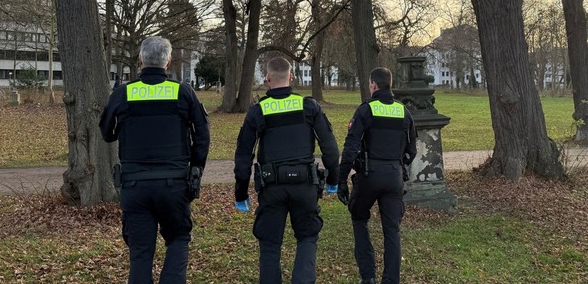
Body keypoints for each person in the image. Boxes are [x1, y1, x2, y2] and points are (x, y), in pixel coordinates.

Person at [99, 36, 210, 284]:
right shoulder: (183, 92)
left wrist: (121, 131)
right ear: (168, 62)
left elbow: (106, 133)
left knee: (140, 253)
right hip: (175, 184)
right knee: (178, 239)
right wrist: (196, 169)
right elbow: (202, 135)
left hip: (135, 186)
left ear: (140, 60)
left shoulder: (123, 93)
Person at [233, 56, 340, 284]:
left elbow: (243, 156)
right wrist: (333, 179)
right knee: (307, 238)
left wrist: (241, 193)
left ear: (268, 79)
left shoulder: (258, 111)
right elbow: (330, 148)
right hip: (305, 184)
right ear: (291, 76)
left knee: (270, 245)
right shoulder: (308, 106)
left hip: (272, 187)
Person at [337, 67, 417, 284]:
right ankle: (391, 280)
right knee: (392, 230)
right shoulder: (404, 112)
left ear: (373, 85)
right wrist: (400, 165)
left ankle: (368, 275)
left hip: (368, 175)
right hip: (394, 176)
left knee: (359, 217)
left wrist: (342, 179)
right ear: (389, 84)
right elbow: (412, 150)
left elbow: (350, 147)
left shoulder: (366, 110)